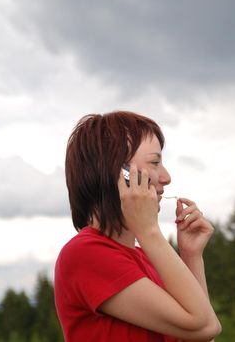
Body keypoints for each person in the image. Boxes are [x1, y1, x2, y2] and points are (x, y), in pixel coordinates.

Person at [54, 111, 222, 341]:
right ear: (119, 174)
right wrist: (148, 230)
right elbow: (204, 326)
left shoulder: (145, 259)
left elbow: (202, 335)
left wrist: (192, 257)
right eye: (155, 163)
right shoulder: (85, 254)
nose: (166, 177)